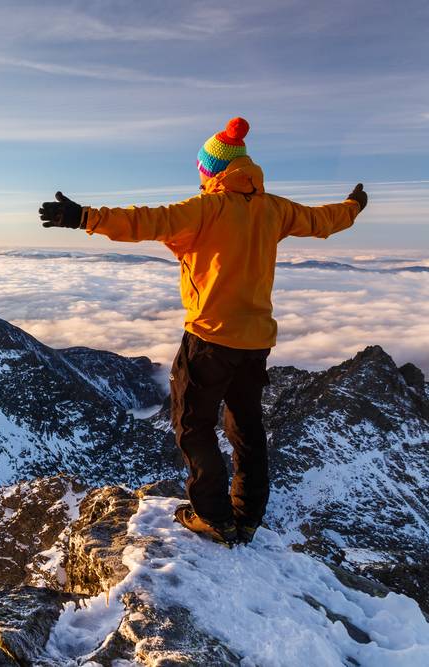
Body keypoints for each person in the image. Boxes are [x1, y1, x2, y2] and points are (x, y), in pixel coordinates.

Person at [38, 117, 366, 546]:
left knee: (192, 425)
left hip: (210, 338)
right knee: (246, 427)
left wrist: (83, 217)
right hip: (256, 342)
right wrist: (354, 206)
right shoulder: (274, 208)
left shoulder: (205, 209)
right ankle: (246, 517)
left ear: (211, 171)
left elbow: (144, 221)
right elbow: (323, 220)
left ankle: (212, 515)